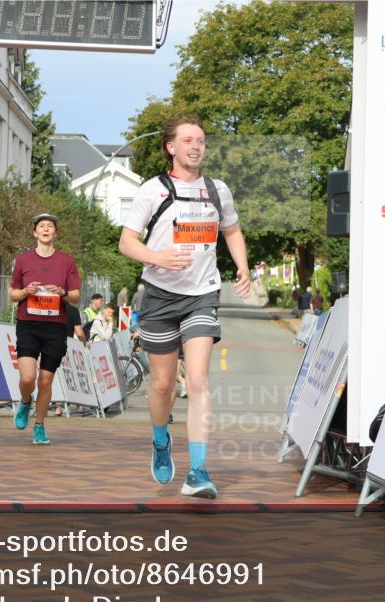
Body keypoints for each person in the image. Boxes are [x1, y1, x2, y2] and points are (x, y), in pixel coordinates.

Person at [118, 113, 250, 499]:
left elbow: (232, 230)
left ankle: (198, 471)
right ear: (171, 147)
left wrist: (242, 267)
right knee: (162, 385)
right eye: (188, 140)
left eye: (201, 141)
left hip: (202, 295)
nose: (196, 146)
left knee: (197, 380)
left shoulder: (217, 190)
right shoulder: (153, 190)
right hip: (159, 295)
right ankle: (161, 440)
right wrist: (157, 257)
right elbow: (127, 242)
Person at [9, 213, 81, 445]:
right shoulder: (23, 260)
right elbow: (13, 294)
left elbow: (76, 297)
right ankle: (25, 401)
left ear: (55, 233)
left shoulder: (66, 261)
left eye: (50, 226)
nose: (46, 229)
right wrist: (25, 291)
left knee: (46, 381)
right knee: (28, 377)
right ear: (35, 232)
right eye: (42, 226)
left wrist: (62, 292)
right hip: (28, 324)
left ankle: (39, 426)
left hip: (55, 327)